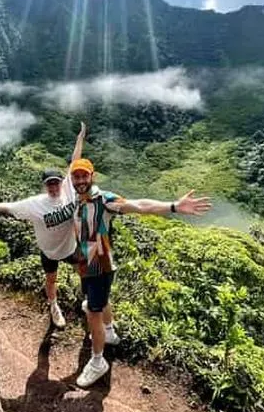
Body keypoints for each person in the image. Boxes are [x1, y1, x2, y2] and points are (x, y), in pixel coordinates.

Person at [68, 157, 212, 388]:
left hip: (100, 265)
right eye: (77, 176)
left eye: (85, 175)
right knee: (100, 301)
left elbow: (139, 206)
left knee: (92, 311)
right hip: (86, 264)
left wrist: (173, 206)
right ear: (72, 179)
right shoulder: (76, 200)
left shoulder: (104, 200)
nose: (81, 180)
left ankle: (97, 362)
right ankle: (109, 332)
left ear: (92, 176)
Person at [0, 122, 86, 328]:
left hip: (70, 248)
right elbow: (7, 207)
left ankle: (86, 301)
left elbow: (74, 161)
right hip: (49, 251)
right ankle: (53, 306)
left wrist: (80, 137)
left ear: (62, 182)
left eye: (56, 182)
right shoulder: (34, 205)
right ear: (44, 186)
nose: (53, 187)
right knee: (51, 280)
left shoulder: (69, 189)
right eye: (49, 184)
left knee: (83, 272)